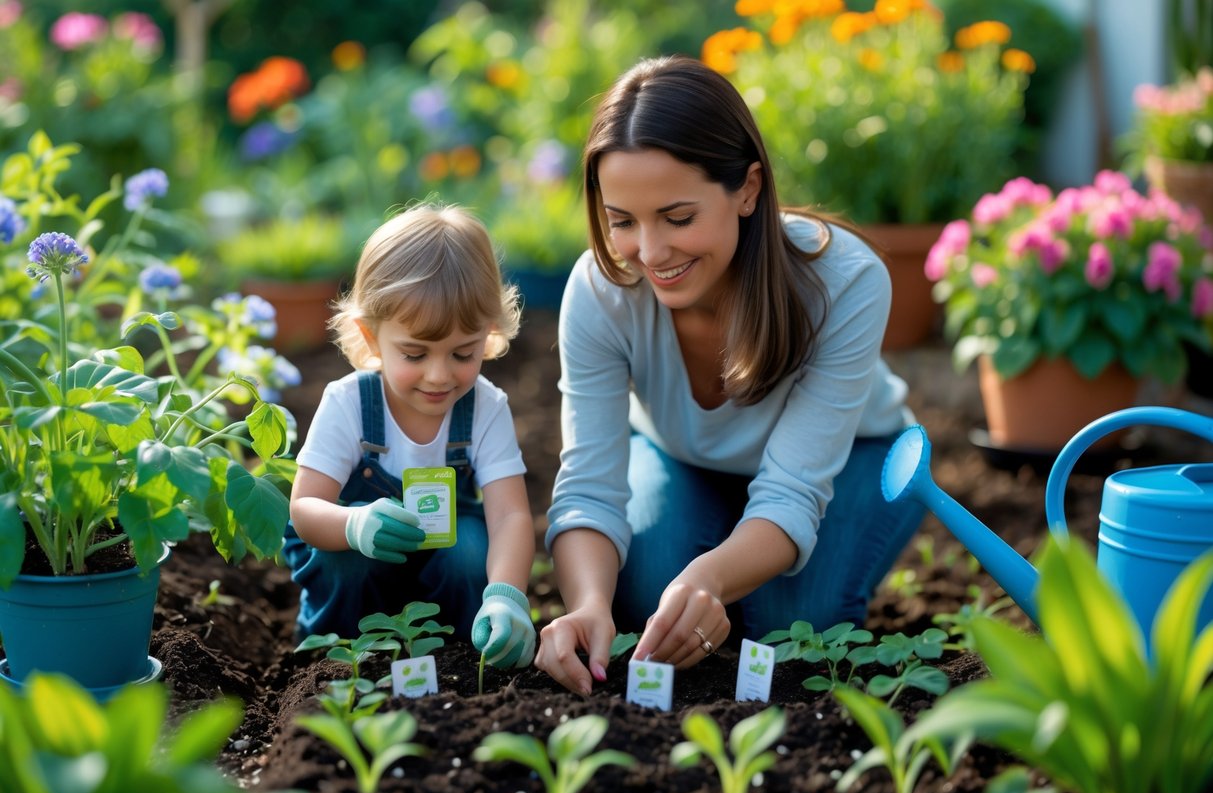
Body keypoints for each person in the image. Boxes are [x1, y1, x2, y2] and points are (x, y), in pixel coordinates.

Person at [535, 56, 926, 695]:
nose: (650, 253)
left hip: (854, 460)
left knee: (792, 627)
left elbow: (794, 490)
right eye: (622, 221)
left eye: (678, 217)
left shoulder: (845, 282)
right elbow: (589, 487)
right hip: (683, 457)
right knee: (644, 597)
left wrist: (711, 578)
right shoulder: (602, 290)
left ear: (747, 189)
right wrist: (585, 604)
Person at [284, 203, 537, 669]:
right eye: (415, 354)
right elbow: (304, 510)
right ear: (372, 336)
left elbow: (510, 517)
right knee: (344, 560)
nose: (439, 376)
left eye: (463, 353)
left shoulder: (484, 406)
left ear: (491, 331)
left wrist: (506, 595)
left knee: (469, 554)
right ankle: (335, 659)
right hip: (357, 558)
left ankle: (464, 654)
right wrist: (354, 526)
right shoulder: (349, 403)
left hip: (441, 564)